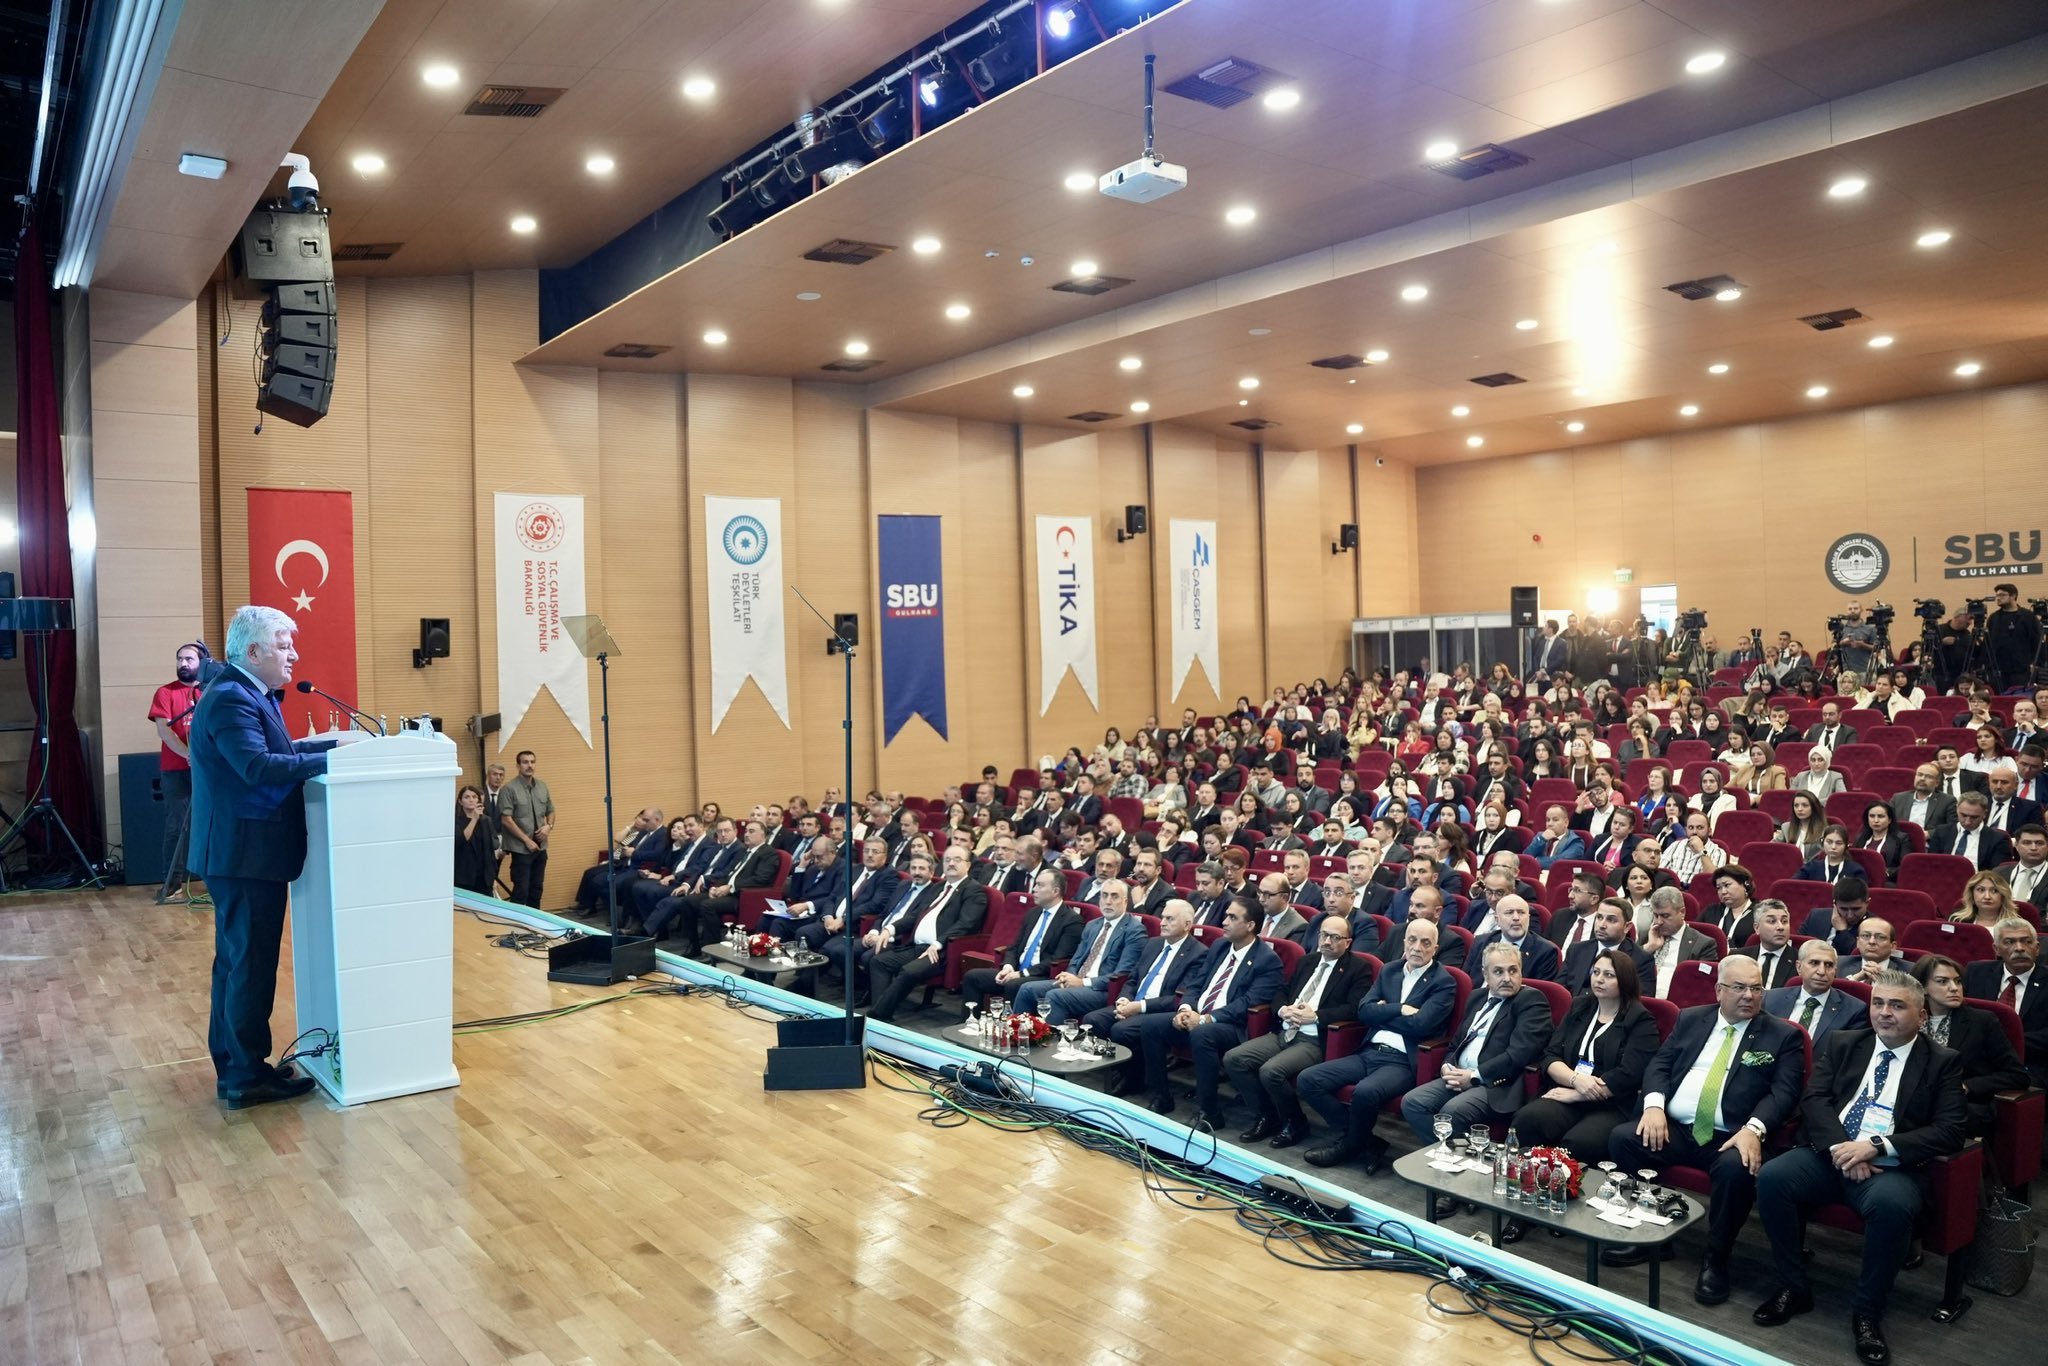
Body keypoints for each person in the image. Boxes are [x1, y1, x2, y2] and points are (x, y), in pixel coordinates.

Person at [189, 605, 365, 1110]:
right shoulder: (231, 698)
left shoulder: (242, 692)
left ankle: (235, 1066)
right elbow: (257, 766)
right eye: (285, 645)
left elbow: (277, 752)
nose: (295, 654)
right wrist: (337, 759)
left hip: (241, 853)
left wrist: (341, 744)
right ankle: (246, 1076)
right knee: (250, 965)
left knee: (236, 963)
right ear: (254, 651)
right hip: (246, 854)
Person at [1751, 973, 1966, 1365]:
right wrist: (1842, 1149)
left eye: (1897, 1006)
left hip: (1891, 1168)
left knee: (1891, 1207)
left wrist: (1875, 1147)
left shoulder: (1942, 1063)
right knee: (1773, 1178)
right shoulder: (1845, 1043)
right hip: (1830, 1153)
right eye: (1878, 1003)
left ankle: (1867, 1313)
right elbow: (1814, 1099)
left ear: (1921, 1015)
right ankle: (1793, 1287)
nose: (1884, 1013)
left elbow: (1950, 1131)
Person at [1605, 956, 1805, 1302]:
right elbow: (1660, 1065)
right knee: (1625, 1138)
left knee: (1737, 1168)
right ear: (1719, 990)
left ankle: (1716, 1256)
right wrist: (1654, 1106)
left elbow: (1784, 1093)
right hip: (1677, 1128)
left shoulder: (1783, 1035)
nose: (1749, 996)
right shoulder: (1692, 1018)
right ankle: (1649, 1235)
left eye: (1756, 988)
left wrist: (1754, 1129)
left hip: (1731, 1136)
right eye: (1739, 988)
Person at [1297, 919, 1457, 1173]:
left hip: (1403, 1061)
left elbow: (1422, 1026)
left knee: (1365, 1092)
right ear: (1404, 942)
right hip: (1369, 1051)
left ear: (1435, 949)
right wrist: (1400, 1009)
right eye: (1412, 940)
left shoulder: (1443, 982)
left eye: (1425, 943)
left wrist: (1383, 1012)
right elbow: (1364, 1011)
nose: (1417, 947)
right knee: (1309, 1080)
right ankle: (1365, 1142)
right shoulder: (1390, 970)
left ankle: (1348, 1146)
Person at [1111, 898, 1282, 1122]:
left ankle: (1209, 1112)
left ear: (1250, 925)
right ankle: (1161, 1095)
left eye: (1233, 917)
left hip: (1232, 1026)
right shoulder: (1220, 946)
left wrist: (1204, 1019)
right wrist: (1185, 1008)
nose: (1225, 921)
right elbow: (1197, 984)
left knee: (1202, 1034)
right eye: (1226, 915)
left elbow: (1245, 1005)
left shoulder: (1267, 960)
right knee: (1151, 1024)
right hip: (1197, 1014)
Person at [1401, 942, 1551, 1193]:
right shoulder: (1477, 997)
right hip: (1459, 1075)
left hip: (1497, 1084)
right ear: (1485, 974)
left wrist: (1474, 1076)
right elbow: (1457, 1042)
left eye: (1513, 971)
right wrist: (1447, 1065)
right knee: (1413, 1103)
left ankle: (1455, 1184)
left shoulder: (1531, 1000)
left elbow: (1519, 1054)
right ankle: (1455, 1167)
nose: (1507, 978)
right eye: (1499, 972)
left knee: (1452, 1111)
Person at [1225, 915, 1374, 1146]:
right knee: (1235, 1059)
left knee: (1270, 1071)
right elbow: (1281, 991)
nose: (1327, 942)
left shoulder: (1358, 968)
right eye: (1324, 935)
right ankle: (1267, 1115)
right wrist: (1283, 1009)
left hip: (1313, 1039)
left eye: (1335, 937)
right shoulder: (1308, 961)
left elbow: (1355, 1009)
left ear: (1348, 942)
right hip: (1284, 1031)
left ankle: (1295, 1122)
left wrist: (1316, 1016)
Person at [1509, 948, 1660, 1174]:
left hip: (1611, 1104)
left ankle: (1559, 1193)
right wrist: (1575, 1080)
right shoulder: (1580, 1006)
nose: (1599, 979)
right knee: (1528, 1119)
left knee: (1579, 1143)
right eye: (1596, 972)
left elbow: (1629, 1074)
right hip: (1569, 1087)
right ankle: (1523, 1181)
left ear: (1625, 980)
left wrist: (1578, 1093)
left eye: (1609, 975)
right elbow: (1551, 1055)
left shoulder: (1640, 1020)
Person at [868, 845, 989, 1022]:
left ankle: (876, 1016)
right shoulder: (937, 887)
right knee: (879, 961)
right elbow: (915, 915)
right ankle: (882, 1012)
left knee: (908, 972)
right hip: (917, 946)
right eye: (947, 860)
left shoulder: (974, 890)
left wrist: (939, 942)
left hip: (941, 951)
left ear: (968, 865)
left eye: (957, 860)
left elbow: (966, 924)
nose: (951, 864)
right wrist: (890, 929)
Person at [1913, 953, 2027, 1136]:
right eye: (1943, 982)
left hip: (1965, 1106)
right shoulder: (1911, 1020)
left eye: (1957, 981)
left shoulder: (1982, 1021)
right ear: (1923, 988)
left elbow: (2017, 1075)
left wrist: (1967, 1086)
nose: (1954, 988)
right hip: (1915, 1100)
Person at [960, 868, 1082, 1014]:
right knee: (973, 976)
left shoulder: (1072, 921)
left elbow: (1057, 960)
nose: (1034, 889)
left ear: (1055, 891)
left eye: (1040, 885)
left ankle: (1012, 1029)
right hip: (1017, 971)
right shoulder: (1033, 913)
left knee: (1013, 984)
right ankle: (969, 1023)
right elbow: (1014, 946)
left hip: (1040, 975)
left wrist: (1022, 974)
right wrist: (1008, 967)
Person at [147, 641, 207, 905]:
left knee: (210, 825)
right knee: (177, 827)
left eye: (189, 659)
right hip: (176, 771)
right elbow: (164, 731)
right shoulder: (165, 693)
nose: (183, 664)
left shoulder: (211, 692)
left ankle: (214, 883)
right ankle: (171, 886)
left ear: (202, 663)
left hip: (208, 771)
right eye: (179, 659)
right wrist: (188, 754)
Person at [1962, 918, 2047, 1086]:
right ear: (1997, 949)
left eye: (2026, 941)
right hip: (1976, 1060)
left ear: (2037, 949)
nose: (2020, 948)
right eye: (2010, 942)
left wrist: (1999, 1043)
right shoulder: (1976, 972)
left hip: (2030, 1063)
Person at [1764, 940, 1859, 1044]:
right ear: (1799, 967)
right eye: (1814, 963)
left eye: (1828, 965)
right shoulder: (1771, 999)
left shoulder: (1853, 1010)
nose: (1822, 972)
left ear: (1835, 971)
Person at [499, 749, 555, 908]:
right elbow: (506, 820)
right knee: (521, 890)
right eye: (525, 762)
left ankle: (535, 925)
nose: (529, 765)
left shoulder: (542, 786)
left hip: (541, 847)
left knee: (537, 889)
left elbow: (551, 810)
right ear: (518, 766)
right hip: (521, 849)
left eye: (532, 762)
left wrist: (548, 827)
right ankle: (517, 926)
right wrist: (526, 840)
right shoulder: (509, 789)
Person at [454, 785, 497, 895]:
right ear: (460, 801)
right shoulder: (456, 821)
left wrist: (493, 877)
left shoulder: (486, 820)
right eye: (467, 797)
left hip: (484, 876)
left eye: (474, 797)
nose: (471, 800)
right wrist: (474, 819)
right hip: (464, 876)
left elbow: (489, 849)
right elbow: (461, 840)